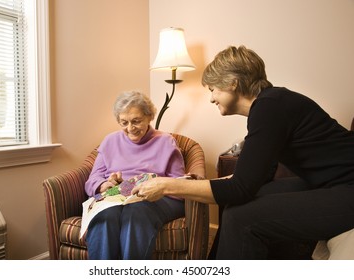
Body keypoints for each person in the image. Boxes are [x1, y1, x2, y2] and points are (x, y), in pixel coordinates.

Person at [132, 45, 354, 259]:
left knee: (241, 218)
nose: (211, 98)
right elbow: (257, 177)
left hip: (347, 188)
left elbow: (239, 188)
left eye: (213, 89)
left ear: (232, 83)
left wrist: (166, 185)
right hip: (329, 183)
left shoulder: (270, 107)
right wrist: (197, 184)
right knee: (237, 206)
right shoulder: (272, 104)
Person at [84, 90, 186, 260]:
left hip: (156, 199)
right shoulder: (110, 141)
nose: (130, 128)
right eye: (124, 122)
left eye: (136, 121)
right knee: (105, 215)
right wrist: (104, 185)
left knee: (136, 212)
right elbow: (92, 180)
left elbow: (179, 186)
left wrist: (154, 187)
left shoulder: (166, 142)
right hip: (116, 198)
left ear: (149, 117)